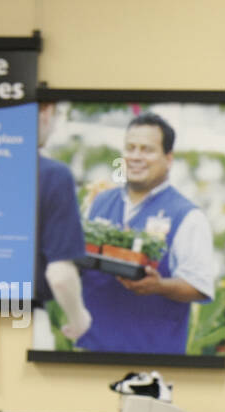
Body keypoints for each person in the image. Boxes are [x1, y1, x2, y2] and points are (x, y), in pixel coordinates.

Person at [77, 112, 215, 353]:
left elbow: (198, 285)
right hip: (91, 352)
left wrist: (159, 286)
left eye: (147, 150)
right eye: (130, 148)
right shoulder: (98, 203)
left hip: (154, 360)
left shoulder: (187, 215)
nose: (136, 157)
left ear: (169, 159)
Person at [34, 101, 93, 347]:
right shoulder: (52, 176)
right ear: (45, 113)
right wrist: (79, 319)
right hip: (18, 318)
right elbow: (60, 275)